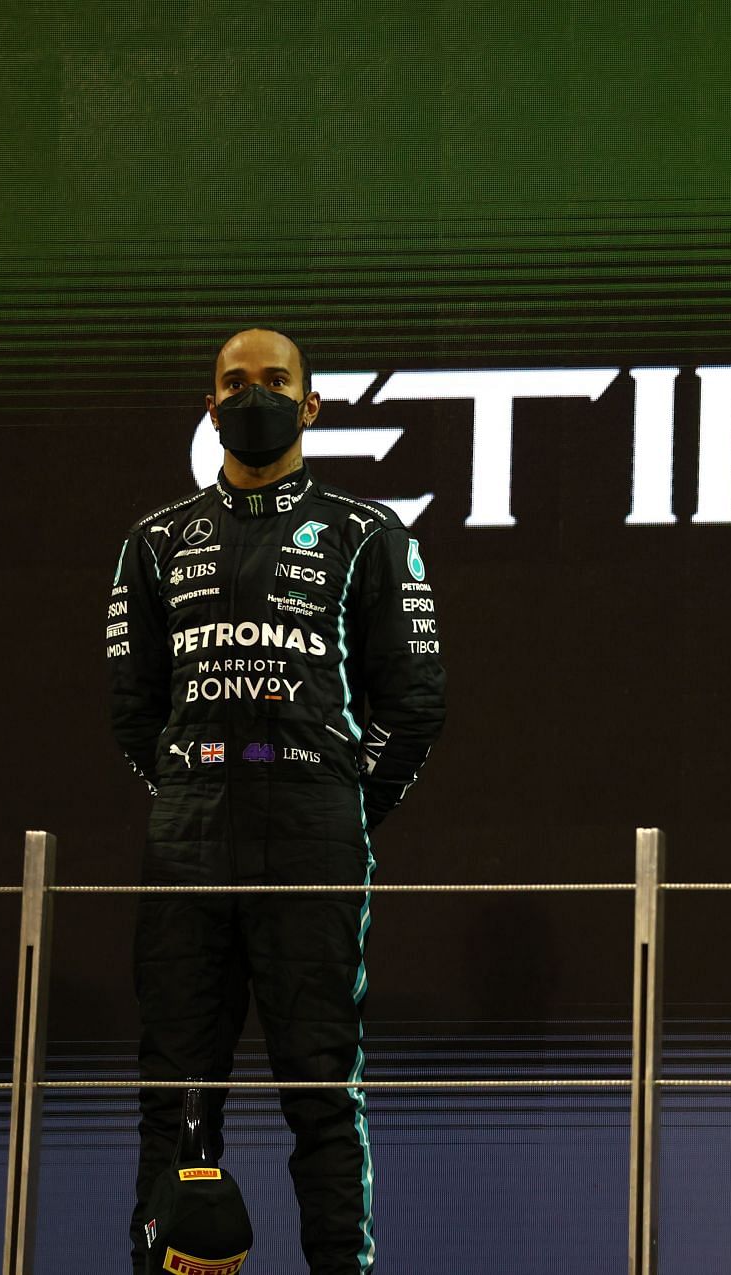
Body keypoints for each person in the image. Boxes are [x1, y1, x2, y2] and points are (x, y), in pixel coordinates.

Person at [107, 329, 446, 1270]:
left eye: (274, 381)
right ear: (210, 405)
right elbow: (135, 710)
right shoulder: (155, 539)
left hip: (313, 837)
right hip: (189, 836)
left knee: (321, 1093)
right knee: (174, 1095)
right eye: (234, 382)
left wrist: (335, 801)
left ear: (311, 407)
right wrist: (200, 779)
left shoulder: (367, 533)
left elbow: (415, 701)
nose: (252, 394)